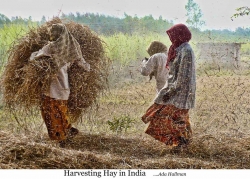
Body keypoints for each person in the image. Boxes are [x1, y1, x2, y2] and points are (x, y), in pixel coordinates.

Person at [29, 23, 90, 147]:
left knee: (50, 113)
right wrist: (88, 68)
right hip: (64, 87)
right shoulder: (72, 47)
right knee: (61, 112)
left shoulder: (51, 47)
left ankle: (61, 138)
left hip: (52, 87)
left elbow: (34, 57)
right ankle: (67, 132)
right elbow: (84, 65)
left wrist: (32, 55)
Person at [141, 24, 196, 152]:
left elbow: (183, 76)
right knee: (177, 118)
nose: (171, 38)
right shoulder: (177, 49)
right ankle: (182, 145)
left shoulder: (186, 50)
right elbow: (173, 73)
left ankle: (181, 144)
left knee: (170, 116)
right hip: (173, 88)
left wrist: (170, 92)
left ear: (180, 35)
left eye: (173, 35)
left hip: (181, 91)